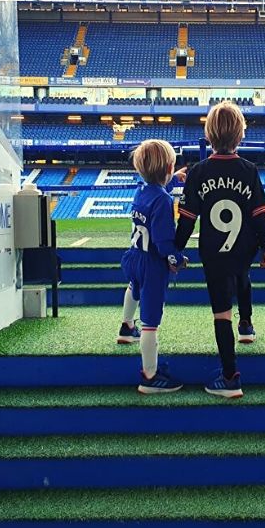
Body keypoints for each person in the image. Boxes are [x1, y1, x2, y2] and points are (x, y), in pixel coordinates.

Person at [175, 101, 265, 398]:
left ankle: (230, 377)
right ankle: (247, 323)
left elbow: (187, 220)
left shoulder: (197, 172)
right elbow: (259, 214)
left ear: (208, 135)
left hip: (213, 251)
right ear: (240, 135)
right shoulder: (250, 170)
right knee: (242, 277)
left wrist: (176, 251)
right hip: (244, 247)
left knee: (220, 314)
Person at [117, 139, 188, 394]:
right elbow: (163, 243)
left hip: (133, 256)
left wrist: (172, 179)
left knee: (132, 288)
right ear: (170, 167)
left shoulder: (141, 190)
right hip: (152, 263)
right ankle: (149, 375)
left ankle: (126, 326)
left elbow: (155, 190)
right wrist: (178, 260)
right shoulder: (165, 201)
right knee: (151, 322)